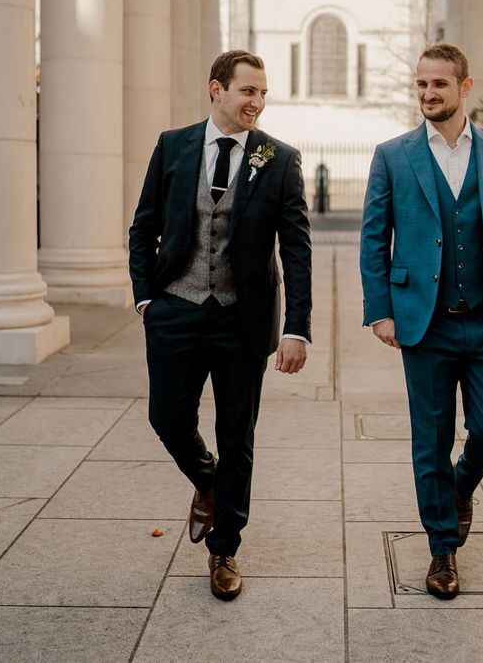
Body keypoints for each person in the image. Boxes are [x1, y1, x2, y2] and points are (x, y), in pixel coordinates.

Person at [129, 50, 312, 600]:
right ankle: (208, 481)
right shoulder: (173, 146)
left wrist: (296, 327)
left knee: (239, 437)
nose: (256, 102)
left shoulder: (278, 159)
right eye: (246, 91)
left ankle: (224, 551)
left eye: (262, 93)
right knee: (167, 418)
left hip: (242, 320)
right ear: (216, 90)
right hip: (176, 310)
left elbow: (296, 249)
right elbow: (143, 229)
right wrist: (145, 301)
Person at [359, 43, 483, 599]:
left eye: (439, 84)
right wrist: (380, 309)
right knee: (430, 439)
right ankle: (442, 551)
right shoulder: (393, 154)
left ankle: (459, 490)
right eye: (421, 85)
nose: (428, 93)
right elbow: (372, 237)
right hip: (424, 323)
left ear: (465, 87)